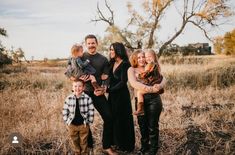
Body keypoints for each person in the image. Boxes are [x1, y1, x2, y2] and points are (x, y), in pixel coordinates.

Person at [80, 34, 117, 155]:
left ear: (97, 43)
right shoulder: (80, 57)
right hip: (84, 92)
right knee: (84, 120)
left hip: (97, 92)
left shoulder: (103, 59)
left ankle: (106, 146)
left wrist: (103, 87)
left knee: (109, 117)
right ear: (86, 44)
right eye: (89, 43)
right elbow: (71, 73)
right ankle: (89, 147)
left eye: (93, 43)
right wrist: (78, 78)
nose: (91, 45)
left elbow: (106, 77)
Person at [127, 50, 166, 155]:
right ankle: (144, 147)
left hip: (154, 100)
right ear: (135, 59)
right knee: (142, 125)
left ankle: (153, 149)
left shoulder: (150, 66)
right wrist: (151, 89)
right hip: (140, 100)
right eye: (138, 57)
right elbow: (134, 83)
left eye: (143, 57)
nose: (141, 59)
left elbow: (163, 79)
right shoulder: (131, 69)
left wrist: (160, 86)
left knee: (152, 126)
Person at [107, 42, 135, 152]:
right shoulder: (111, 63)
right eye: (110, 50)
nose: (110, 52)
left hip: (122, 96)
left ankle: (126, 146)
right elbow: (107, 78)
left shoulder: (125, 64)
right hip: (112, 96)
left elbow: (123, 82)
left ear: (118, 51)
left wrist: (109, 90)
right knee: (114, 119)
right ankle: (116, 143)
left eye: (112, 50)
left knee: (123, 120)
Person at [62, 79, 94, 155]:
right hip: (72, 125)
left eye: (80, 86)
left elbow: (91, 110)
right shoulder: (69, 98)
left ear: (83, 88)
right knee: (74, 140)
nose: (77, 88)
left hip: (84, 125)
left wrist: (89, 121)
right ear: (72, 88)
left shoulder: (87, 98)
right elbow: (65, 110)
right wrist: (67, 121)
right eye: (75, 86)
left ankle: (84, 153)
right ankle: (77, 152)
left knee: (84, 141)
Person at [134, 49, 164, 115]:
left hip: (152, 84)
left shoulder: (151, 65)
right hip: (155, 83)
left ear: (154, 57)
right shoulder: (156, 64)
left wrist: (138, 75)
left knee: (139, 93)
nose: (147, 58)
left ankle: (140, 109)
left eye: (149, 56)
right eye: (146, 57)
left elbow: (146, 74)